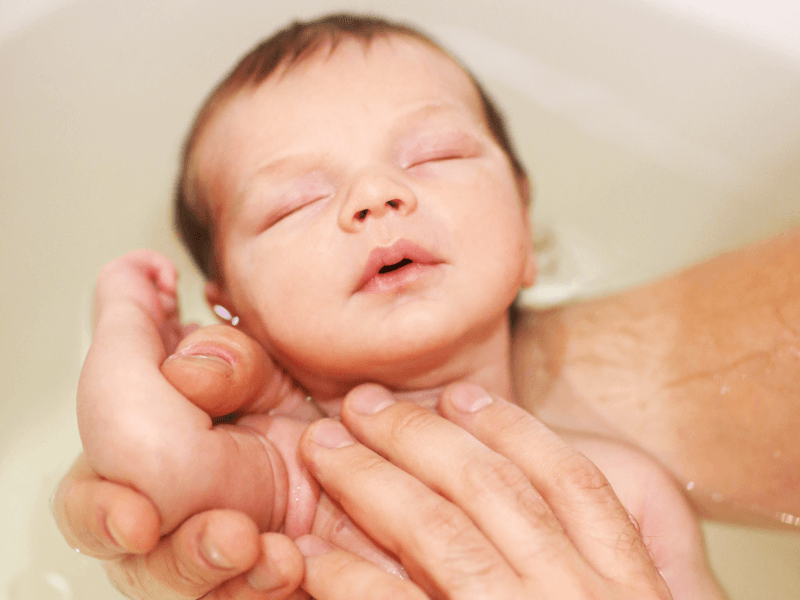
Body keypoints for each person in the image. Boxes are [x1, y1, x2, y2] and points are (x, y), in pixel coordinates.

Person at [55, 12, 788, 600]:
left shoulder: (625, 493)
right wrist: (127, 317)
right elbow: (148, 462)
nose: (375, 196)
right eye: (295, 204)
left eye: (437, 155)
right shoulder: (285, 473)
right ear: (231, 310)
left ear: (526, 231)